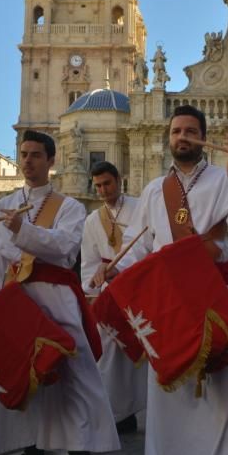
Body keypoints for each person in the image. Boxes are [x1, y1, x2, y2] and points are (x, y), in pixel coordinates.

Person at [93, 106, 228, 455]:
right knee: (179, 390)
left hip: (216, 292)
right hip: (172, 301)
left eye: (190, 131)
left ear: (205, 137)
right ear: (169, 139)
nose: (182, 137)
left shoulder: (225, 179)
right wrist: (113, 268)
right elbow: (141, 244)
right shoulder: (154, 190)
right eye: (176, 131)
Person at [0, 130, 119, 455]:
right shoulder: (2, 206)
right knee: (25, 374)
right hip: (17, 301)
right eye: (24, 154)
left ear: (52, 162)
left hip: (57, 297)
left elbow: (63, 249)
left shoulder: (69, 207)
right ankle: (30, 454)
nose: (28, 160)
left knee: (73, 375)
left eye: (36, 155)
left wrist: (22, 229)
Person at [79, 160, 146, 435]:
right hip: (108, 293)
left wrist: (122, 268)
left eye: (107, 183)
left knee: (142, 352)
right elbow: (89, 260)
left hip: (138, 286)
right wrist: (93, 286)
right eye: (98, 186)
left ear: (119, 180)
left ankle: (141, 407)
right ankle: (118, 413)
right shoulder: (92, 220)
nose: (103, 190)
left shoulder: (140, 208)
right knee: (110, 355)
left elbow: (145, 245)